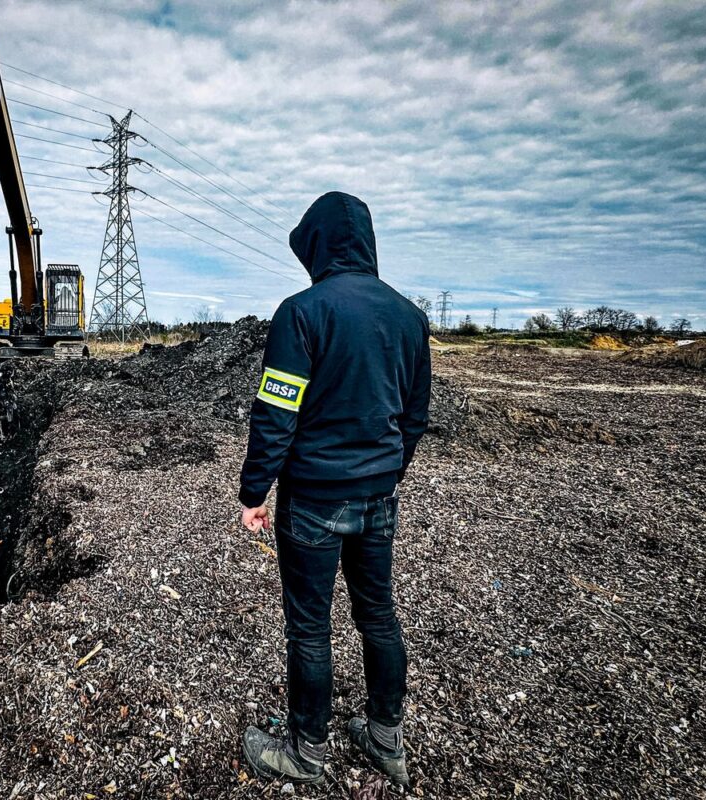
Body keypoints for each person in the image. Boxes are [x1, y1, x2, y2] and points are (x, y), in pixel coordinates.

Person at [238, 192, 431, 786]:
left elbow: (277, 412)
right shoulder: (408, 316)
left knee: (310, 625)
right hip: (379, 495)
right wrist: (386, 475)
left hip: (315, 498)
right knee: (377, 613)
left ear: (316, 243)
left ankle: (306, 753)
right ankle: (385, 741)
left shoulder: (302, 312)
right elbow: (415, 415)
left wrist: (254, 491)